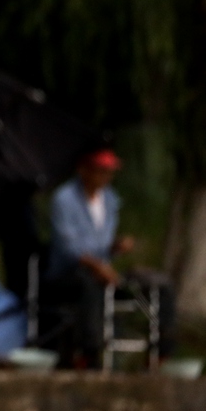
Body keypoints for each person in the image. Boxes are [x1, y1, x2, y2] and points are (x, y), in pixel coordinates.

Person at [43, 147, 135, 369]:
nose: (105, 178)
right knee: (90, 284)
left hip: (102, 271)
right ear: (83, 170)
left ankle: (159, 351)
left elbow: (102, 246)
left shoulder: (111, 200)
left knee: (151, 284)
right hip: (67, 274)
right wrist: (97, 267)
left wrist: (115, 246)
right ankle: (90, 353)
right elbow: (68, 247)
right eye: (100, 171)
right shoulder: (64, 200)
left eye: (109, 172)